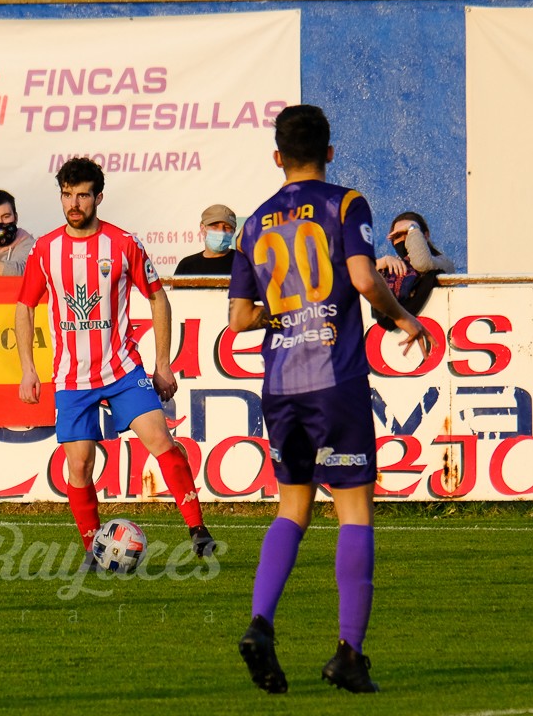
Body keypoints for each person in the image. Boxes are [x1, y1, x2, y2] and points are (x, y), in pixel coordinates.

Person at [228, 105, 432, 694]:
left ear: (277, 158)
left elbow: (240, 318)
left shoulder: (254, 223)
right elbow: (366, 280)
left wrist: (284, 309)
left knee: (291, 508)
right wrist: (402, 320)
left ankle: (261, 625)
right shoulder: (347, 203)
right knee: (353, 510)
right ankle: (348, 652)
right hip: (335, 382)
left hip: (280, 385)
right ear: (331, 152)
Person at [15, 157, 216, 568]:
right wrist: (28, 368)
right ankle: (93, 549)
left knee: (162, 442)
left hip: (122, 370)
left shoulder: (123, 244)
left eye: (83, 195)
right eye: (68, 195)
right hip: (72, 377)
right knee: (80, 464)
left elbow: (158, 297)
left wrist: (163, 363)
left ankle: (197, 530)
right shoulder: (45, 249)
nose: (75, 203)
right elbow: (23, 307)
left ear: (98, 197)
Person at [373, 211, 455, 330]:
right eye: (397, 236)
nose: (404, 239)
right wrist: (382, 262)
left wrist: (413, 228)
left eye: (407, 233)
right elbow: (357, 273)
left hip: (434, 330)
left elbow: (422, 263)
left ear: (425, 236)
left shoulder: (442, 262)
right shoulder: (392, 267)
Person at [174, 204, 237, 275]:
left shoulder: (244, 263)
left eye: (227, 227)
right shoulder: (187, 266)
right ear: (203, 228)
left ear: (233, 231)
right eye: (215, 226)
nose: (221, 231)